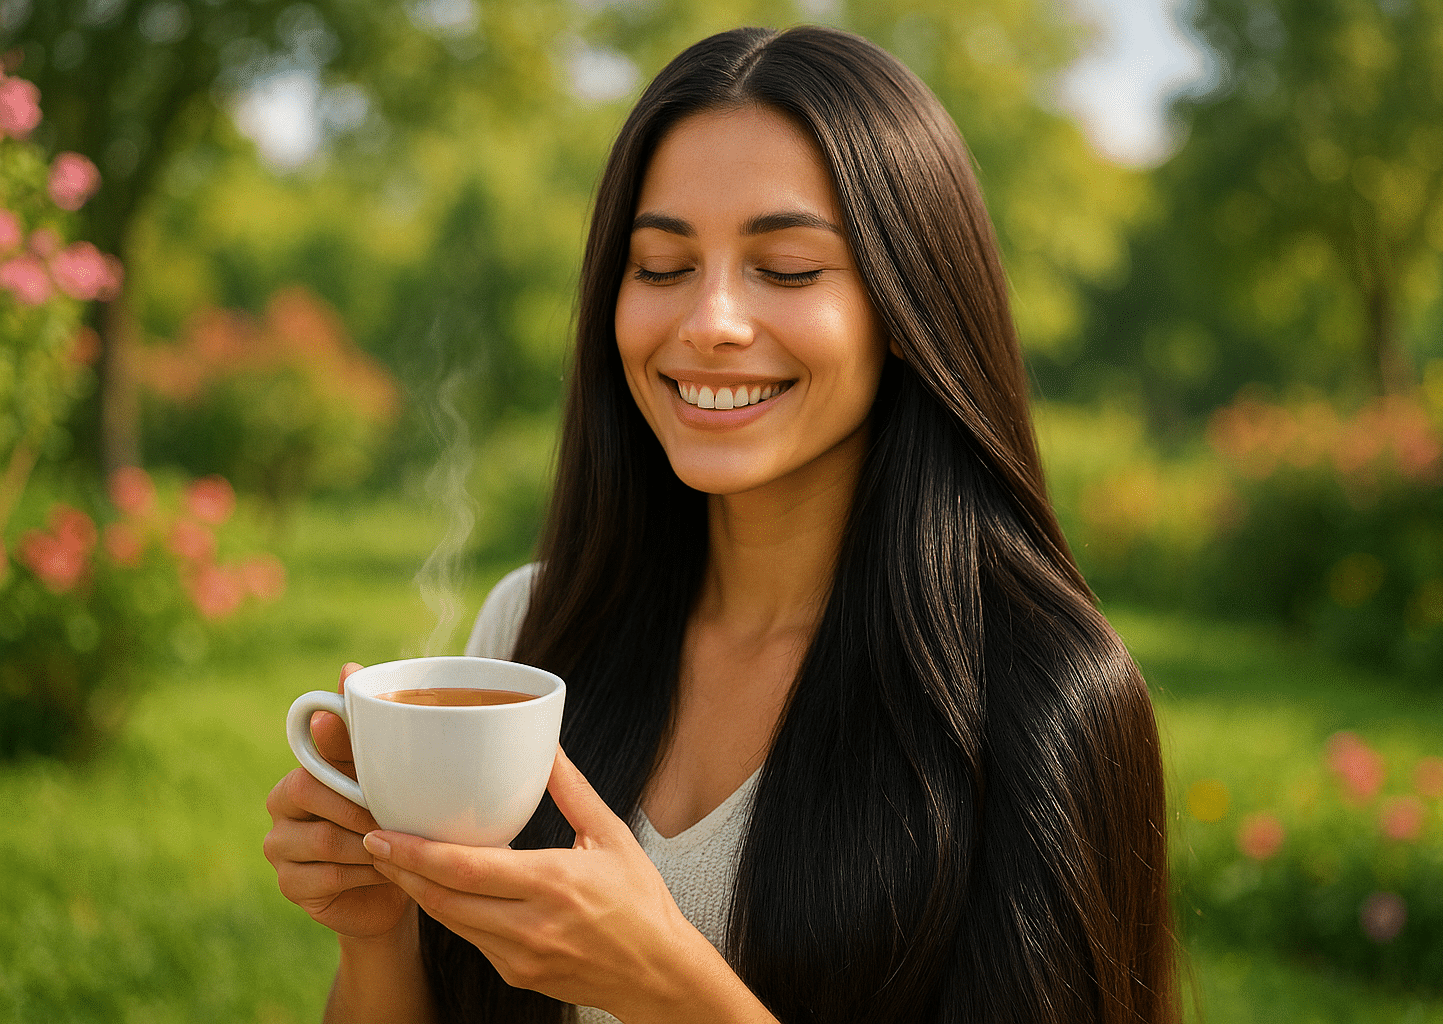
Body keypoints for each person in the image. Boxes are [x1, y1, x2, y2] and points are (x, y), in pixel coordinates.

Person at [265, 24, 1175, 1024]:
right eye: (660, 267)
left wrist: (669, 987)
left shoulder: (1043, 697)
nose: (710, 321)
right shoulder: (532, 633)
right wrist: (378, 921)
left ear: (910, 305)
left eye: (786, 268)